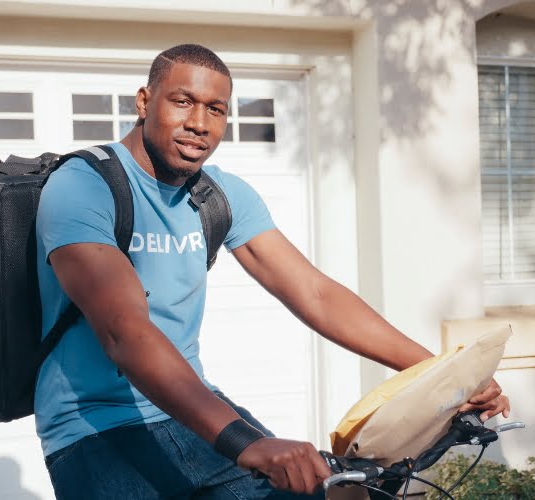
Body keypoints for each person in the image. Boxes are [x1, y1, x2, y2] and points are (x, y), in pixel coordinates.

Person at [34, 44, 510, 499]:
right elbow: (124, 332)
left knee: (339, 494)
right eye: (182, 102)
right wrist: (247, 443)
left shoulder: (220, 195)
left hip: (194, 413)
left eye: (215, 110)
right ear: (144, 100)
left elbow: (315, 294)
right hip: (95, 429)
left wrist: (444, 377)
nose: (198, 123)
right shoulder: (82, 187)